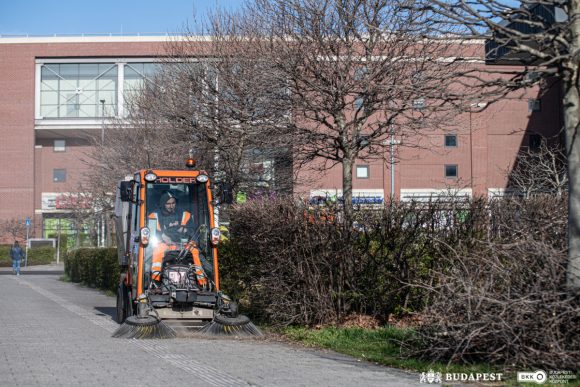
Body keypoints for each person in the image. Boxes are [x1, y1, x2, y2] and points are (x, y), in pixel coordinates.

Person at [148, 192, 207, 287]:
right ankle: (155, 282)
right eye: (168, 203)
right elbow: (150, 232)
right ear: (163, 204)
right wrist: (162, 236)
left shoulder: (185, 214)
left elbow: (193, 231)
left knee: (195, 251)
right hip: (164, 244)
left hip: (183, 244)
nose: (171, 206)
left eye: (173, 203)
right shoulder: (154, 216)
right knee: (157, 251)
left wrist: (184, 229)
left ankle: (202, 282)